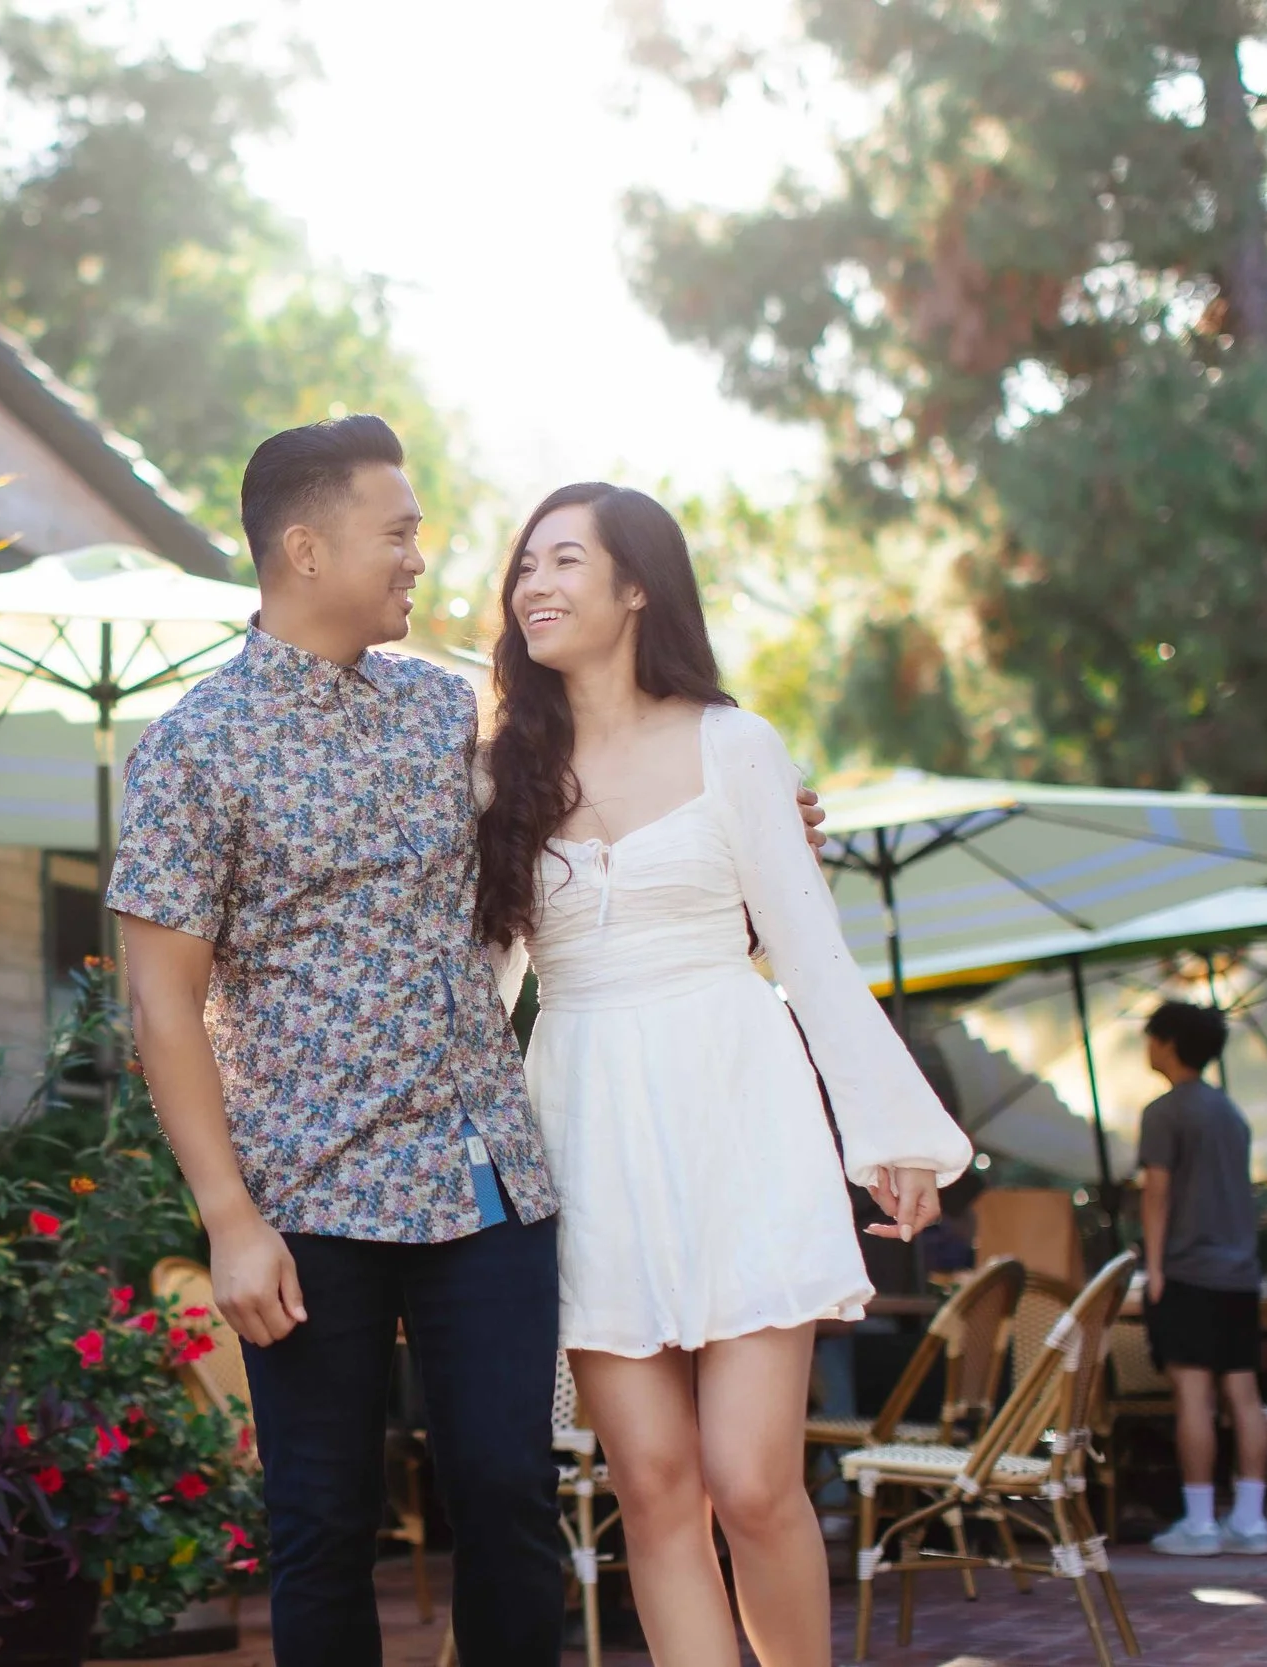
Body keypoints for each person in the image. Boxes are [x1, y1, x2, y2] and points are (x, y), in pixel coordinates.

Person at [111, 418, 827, 1666]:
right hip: (307, 1194)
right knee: (323, 1522)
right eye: (396, 535)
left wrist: (757, 813)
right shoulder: (192, 747)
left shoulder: (450, 716)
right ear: (305, 547)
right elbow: (161, 1002)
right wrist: (228, 1215)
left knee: (507, 1496)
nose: (418, 562)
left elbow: (596, 790)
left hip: (484, 1177)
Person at [475, 481, 970, 1667]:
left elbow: (808, 949)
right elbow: (473, 986)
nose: (532, 586)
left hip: (736, 1110)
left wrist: (891, 1132)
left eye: (562, 562)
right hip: (582, 1122)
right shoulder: (501, 773)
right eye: (523, 567)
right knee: (651, 1487)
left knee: (751, 1480)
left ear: (637, 584)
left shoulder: (734, 743)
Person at [1139, 1000, 1267, 1557]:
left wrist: (1153, 1267)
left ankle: (1198, 1523)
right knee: (1242, 1393)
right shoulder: (1230, 1112)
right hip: (1240, 1273)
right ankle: (1251, 1520)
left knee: (1193, 1393)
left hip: (1189, 1269)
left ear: (1168, 1042)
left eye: (1150, 1038)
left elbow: (1157, 1193)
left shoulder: (1166, 1111)